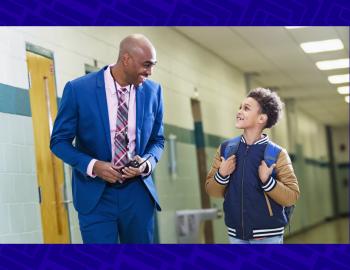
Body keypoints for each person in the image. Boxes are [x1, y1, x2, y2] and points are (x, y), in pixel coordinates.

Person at [50, 34, 164, 243]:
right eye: (146, 65)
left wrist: (147, 163)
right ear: (126, 59)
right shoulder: (78, 89)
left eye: (153, 65)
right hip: (95, 196)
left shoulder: (153, 91)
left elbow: (158, 140)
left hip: (137, 193)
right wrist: (93, 166)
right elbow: (58, 142)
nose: (149, 72)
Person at [205, 88, 300, 244]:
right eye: (240, 107)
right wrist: (222, 174)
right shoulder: (226, 149)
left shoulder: (277, 153)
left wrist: (267, 181)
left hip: (268, 236)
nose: (239, 111)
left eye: (246, 108)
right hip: (236, 235)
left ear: (261, 118)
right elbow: (211, 190)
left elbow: (292, 196)